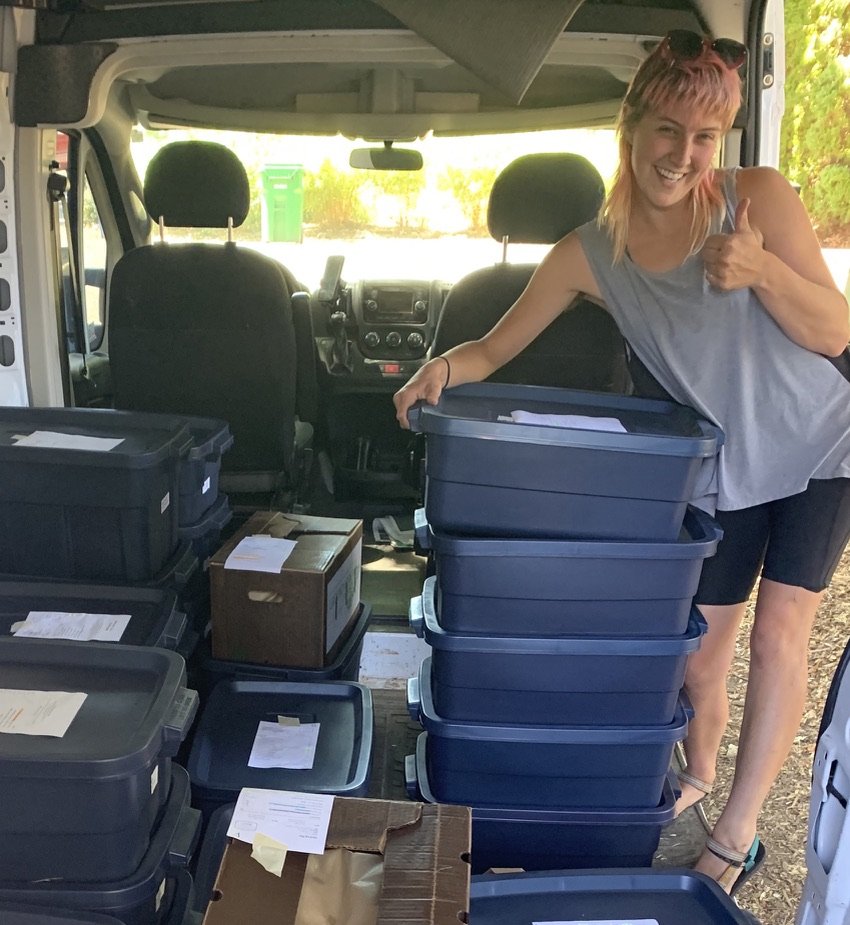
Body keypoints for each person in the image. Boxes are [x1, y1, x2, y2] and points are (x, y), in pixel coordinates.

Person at [393, 29, 850, 896]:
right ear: (632, 126)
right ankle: (698, 772)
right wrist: (441, 367)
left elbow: (838, 331)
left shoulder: (758, 199)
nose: (683, 156)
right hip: (730, 463)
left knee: (783, 628)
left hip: (824, 435)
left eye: (705, 137)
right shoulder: (588, 253)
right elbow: (493, 348)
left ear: (724, 142)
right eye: (668, 130)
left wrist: (757, 270)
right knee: (701, 654)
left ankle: (737, 828)